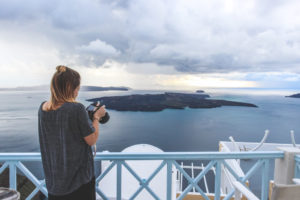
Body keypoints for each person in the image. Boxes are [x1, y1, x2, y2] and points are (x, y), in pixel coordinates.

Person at [38, 65, 106, 200]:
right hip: (78, 181)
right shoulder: (76, 109)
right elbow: (91, 140)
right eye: (77, 88)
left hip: (54, 182)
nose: (77, 92)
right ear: (70, 88)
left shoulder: (43, 107)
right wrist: (96, 118)